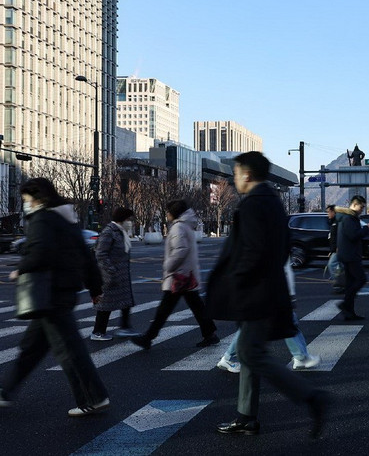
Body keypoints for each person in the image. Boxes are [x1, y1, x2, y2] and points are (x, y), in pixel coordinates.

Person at [205, 151, 329, 438]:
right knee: (250, 354)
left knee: (251, 353)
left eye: (236, 173)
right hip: (269, 290)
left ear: (247, 174)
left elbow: (251, 253)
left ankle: (311, 397)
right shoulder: (272, 202)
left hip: (255, 293)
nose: (234, 179)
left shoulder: (253, 205)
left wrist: (238, 285)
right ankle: (246, 416)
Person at [0, 178, 110, 416]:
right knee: (32, 348)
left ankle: (94, 397)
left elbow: (40, 253)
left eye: (26, 199)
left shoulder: (43, 219)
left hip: (50, 294)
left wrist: (20, 269)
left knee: (69, 350)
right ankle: (5, 391)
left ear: (36, 198)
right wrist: (95, 288)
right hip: (62, 292)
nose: (25, 204)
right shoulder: (67, 220)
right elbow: (86, 256)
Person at [132, 200, 218, 349]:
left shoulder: (178, 227)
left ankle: (148, 338)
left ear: (174, 213)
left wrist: (168, 266)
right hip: (187, 275)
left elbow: (180, 251)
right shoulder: (186, 226)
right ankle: (210, 334)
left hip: (179, 276)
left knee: (165, 309)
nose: (167, 214)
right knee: (196, 306)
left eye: (168, 211)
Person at [217, 257, 320, 373]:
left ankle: (301, 356)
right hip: (268, 289)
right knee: (278, 322)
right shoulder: (272, 239)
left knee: (280, 321)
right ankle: (300, 357)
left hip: (267, 288)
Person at [91, 207, 140, 340]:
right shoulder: (109, 232)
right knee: (105, 305)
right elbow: (100, 254)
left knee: (126, 303)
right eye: (129, 219)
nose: (130, 222)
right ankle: (98, 332)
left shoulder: (120, 232)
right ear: (122, 219)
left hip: (121, 276)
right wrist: (111, 271)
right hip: (110, 276)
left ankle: (125, 327)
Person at [335, 195, 369, 320]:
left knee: (351, 283)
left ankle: (349, 312)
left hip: (348, 254)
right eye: (361, 207)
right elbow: (353, 235)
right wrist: (366, 228)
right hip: (350, 255)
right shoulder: (349, 218)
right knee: (360, 279)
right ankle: (345, 305)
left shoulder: (348, 217)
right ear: (355, 204)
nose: (362, 209)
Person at [326, 204, 344, 294]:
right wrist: (331, 250)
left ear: (334, 212)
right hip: (335, 249)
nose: (328, 214)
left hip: (339, 249)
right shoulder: (332, 222)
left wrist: (338, 247)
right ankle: (342, 283)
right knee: (341, 267)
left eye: (329, 212)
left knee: (332, 265)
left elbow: (340, 235)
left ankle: (339, 283)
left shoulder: (338, 222)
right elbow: (332, 237)